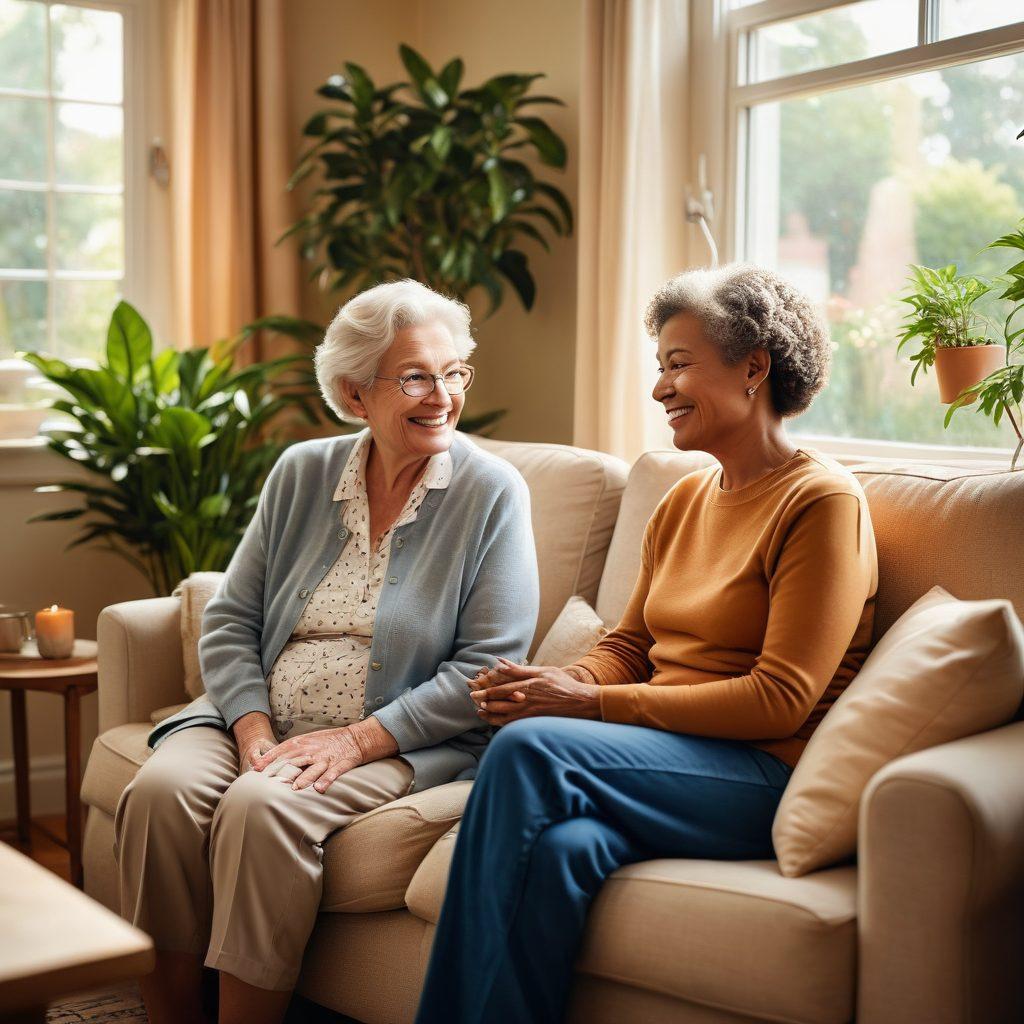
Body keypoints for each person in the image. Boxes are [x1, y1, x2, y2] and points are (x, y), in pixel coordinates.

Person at [415, 264, 879, 1024]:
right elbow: (629, 644)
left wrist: (589, 705)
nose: (660, 387)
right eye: (659, 367)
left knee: (531, 752)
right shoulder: (684, 498)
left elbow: (779, 699)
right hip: (672, 762)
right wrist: (551, 684)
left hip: (764, 773)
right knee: (567, 849)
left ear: (754, 368)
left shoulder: (819, 501)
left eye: (679, 363)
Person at [114, 279, 539, 1024]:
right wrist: (250, 725)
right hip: (258, 719)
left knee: (260, 808)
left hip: (398, 739)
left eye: (452, 372)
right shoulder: (303, 473)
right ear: (354, 396)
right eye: (414, 376)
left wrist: (355, 740)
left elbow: (487, 665)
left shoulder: (491, 492)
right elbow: (231, 617)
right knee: (157, 793)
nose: (441, 394)